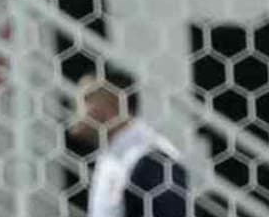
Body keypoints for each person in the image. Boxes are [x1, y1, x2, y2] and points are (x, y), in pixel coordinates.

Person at [70, 70, 189, 217]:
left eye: (86, 99)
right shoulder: (113, 156)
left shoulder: (151, 158)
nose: (76, 110)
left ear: (113, 101)